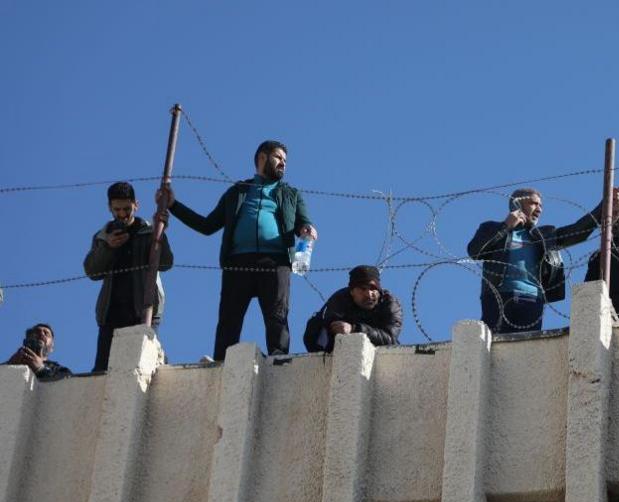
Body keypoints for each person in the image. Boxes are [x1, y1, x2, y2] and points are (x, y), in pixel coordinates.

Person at [158, 140, 318, 360]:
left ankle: (279, 359)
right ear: (262, 158)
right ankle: (221, 362)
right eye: (278, 158)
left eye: (285, 161)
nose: (283, 164)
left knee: (277, 315)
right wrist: (173, 205)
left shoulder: (291, 194)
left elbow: (304, 223)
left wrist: (307, 230)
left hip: (276, 262)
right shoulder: (237, 192)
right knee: (229, 318)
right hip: (238, 261)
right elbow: (207, 225)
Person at [467, 186, 619, 333]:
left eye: (541, 205)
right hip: (497, 297)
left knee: (525, 349)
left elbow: (577, 231)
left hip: (532, 299)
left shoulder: (545, 235)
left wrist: (604, 205)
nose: (539, 209)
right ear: (516, 204)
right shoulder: (490, 227)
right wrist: (505, 226)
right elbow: (475, 251)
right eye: (534, 203)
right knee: (493, 348)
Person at [84, 182, 173, 372]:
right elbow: (92, 272)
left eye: (127, 208)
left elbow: (166, 263)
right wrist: (108, 247)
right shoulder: (102, 237)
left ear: (136, 205)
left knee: (144, 368)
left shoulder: (149, 231)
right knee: (102, 372)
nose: (122, 214)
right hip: (111, 315)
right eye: (117, 209)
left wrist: (160, 233)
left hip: (144, 310)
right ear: (110, 208)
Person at [303, 265, 403, 349]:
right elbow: (328, 330)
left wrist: (355, 329)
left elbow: (390, 339)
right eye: (363, 289)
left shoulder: (390, 304)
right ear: (352, 292)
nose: (369, 294)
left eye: (373, 289)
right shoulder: (340, 300)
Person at [6, 323, 72, 382]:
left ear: (52, 347)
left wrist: (40, 369)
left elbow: (67, 387)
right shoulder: (13, 361)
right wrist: (8, 366)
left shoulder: (60, 370)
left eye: (46, 333)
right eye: (37, 332)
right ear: (25, 340)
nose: (41, 334)